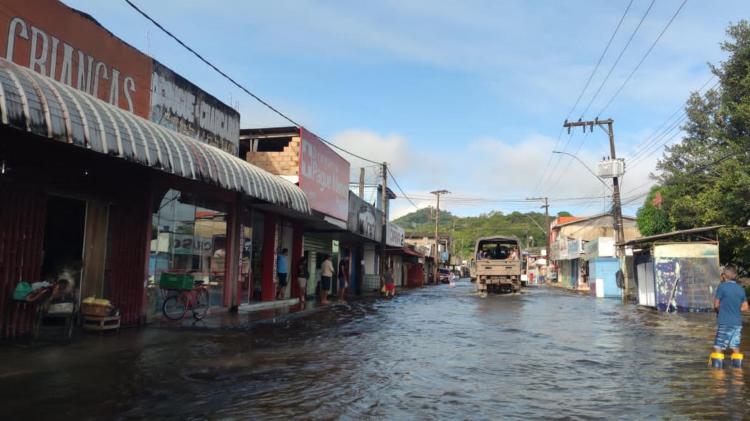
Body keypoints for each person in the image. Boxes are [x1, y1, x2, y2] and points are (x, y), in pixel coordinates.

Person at [712, 265, 748, 363]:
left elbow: (716, 305)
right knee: (735, 347)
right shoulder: (741, 289)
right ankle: (738, 373)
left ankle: (718, 375)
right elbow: (745, 307)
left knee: (719, 347)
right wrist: (735, 309)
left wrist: (720, 311)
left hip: (725, 322)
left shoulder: (722, 287)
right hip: (737, 324)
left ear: (724, 275)